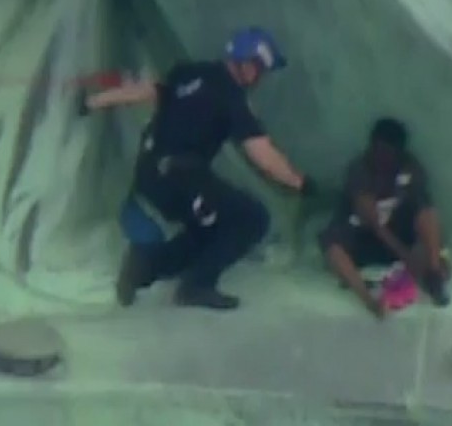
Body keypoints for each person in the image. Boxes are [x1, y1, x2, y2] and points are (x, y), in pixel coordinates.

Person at [80, 27, 315, 311]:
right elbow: (262, 154)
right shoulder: (232, 97)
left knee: (210, 227)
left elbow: (144, 91)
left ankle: (144, 268)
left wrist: (93, 102)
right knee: (252, 218)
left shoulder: (189, 73)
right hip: (181, 179)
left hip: (151, 172)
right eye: (260, 68)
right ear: (245, 61)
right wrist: (300, 183)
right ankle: (197, 286)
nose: (261, 77)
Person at [318, 117, 451, 319]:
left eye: (388, 153)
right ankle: (368, 299)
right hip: (365, 236)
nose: (382, 159)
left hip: (399, 231)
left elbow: (422, 207)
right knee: (331, 244)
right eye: (378, 151)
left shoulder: (411, 168)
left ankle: (434, 276)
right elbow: (374, 224)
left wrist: (423, 256)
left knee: (428, 214)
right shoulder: (359, 170)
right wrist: (406, 256)